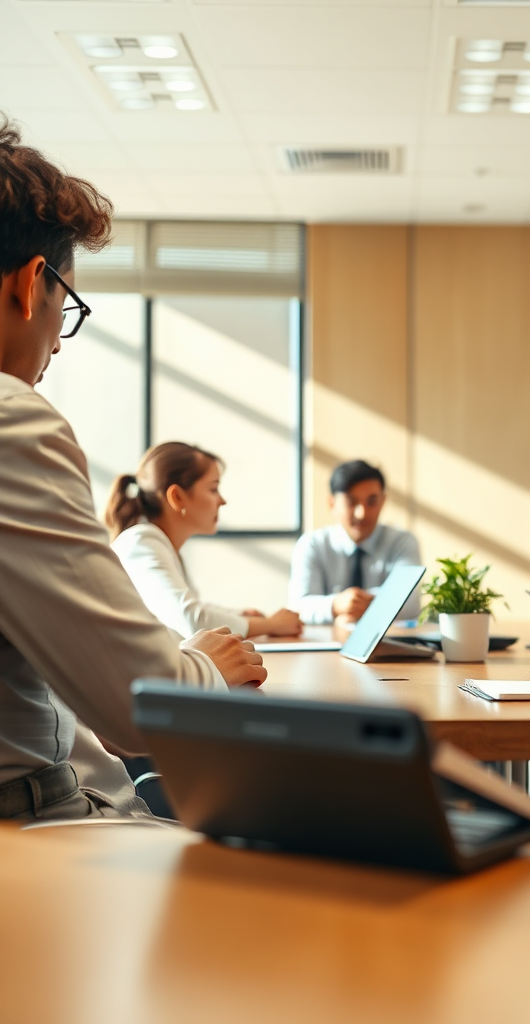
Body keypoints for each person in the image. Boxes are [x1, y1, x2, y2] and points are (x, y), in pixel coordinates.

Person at [0, 113, 265, 821]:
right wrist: (207, 664)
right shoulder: (12, 420)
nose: (57, 345)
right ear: (32, 284)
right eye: (69, 307)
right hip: (32, 827)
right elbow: (136, 707)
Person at [108, 443, 302, 641]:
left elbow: (193, 608)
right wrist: (270, 625)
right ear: (177, 497)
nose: (222, 501)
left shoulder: (159, 545)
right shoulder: (142, 543)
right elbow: (191, 621)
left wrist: (239, 614)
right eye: (213, 489)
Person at [289, 459, 422, 624]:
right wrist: (336, 605)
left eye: (371, 501)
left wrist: (357, 606)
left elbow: (411, 604)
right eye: (351, 502)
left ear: (383, 501)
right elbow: (298, 606)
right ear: (332, 504)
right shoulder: (312, 544)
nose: (361, 513)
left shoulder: (402, 542)